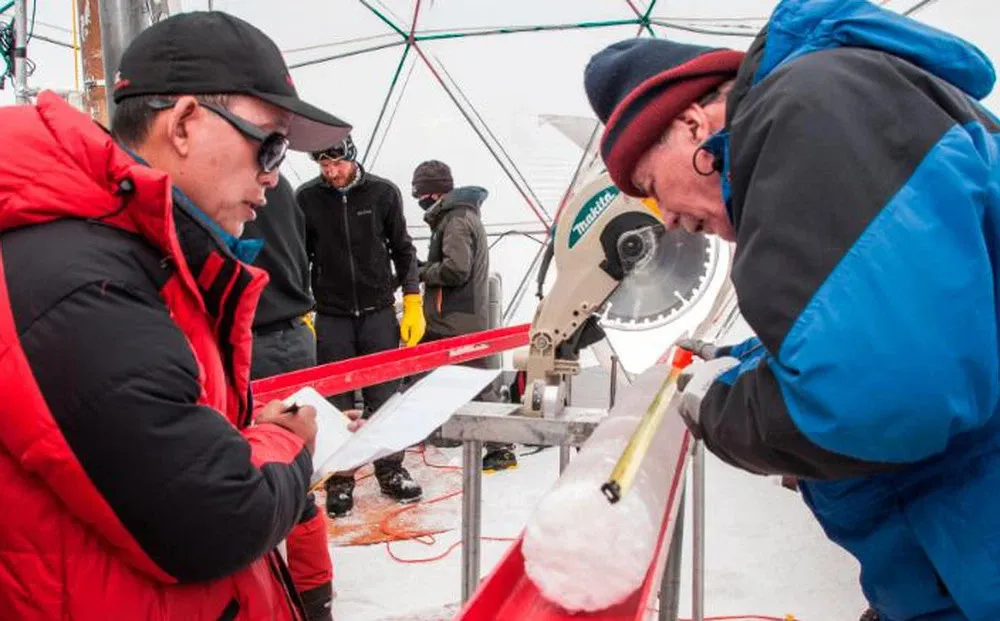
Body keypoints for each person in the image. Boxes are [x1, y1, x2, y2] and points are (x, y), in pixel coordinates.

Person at [583, 1, 1000, 619]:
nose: (665, 218)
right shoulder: (833, 109)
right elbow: (908, 319)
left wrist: (719, 409)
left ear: (693, 124)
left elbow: (881, 397)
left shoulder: (808, 107)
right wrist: (739, 362)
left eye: (650, 184)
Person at [0, 11, 356, 620]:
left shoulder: (133, 254)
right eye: (268, 142)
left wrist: (241, 427)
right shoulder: (80, 277)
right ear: (186, 123)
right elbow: (217, 514)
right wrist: (287, 439)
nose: (274, 175)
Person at [296, 135, 426, 517]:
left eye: (336, 163)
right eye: (324, 166)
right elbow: (299, 257)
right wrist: (303, 306)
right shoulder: (307, 199)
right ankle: (341, 478)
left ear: (351, 157)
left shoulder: (383, 193)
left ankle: (390, 470)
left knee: (384, 396)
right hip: (332, 314)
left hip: (378, 312)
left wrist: (413, 298)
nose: (331, 172)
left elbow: (403, 248)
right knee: (337, 402)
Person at [243, 173, 333, 620]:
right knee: (298, 475)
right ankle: (315, 602)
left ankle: (303, 602)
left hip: (256, 339)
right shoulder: (280, 188)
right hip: (295, 333)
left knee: (266, 474)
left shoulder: (227, 183)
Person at [410, 160, 517, 472]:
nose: (418, 201)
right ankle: (440, 435)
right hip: (458, 316)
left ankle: (502, 447)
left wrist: (421, 272)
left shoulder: (455, 220)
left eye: (420, 194)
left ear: (432, 193)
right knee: (441, 375)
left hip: (455, 318)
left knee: (475, 383)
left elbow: (457, 269)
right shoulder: (461, 215)